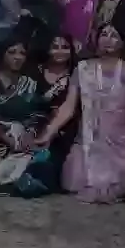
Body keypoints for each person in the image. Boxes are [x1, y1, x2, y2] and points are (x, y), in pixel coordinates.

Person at [41, 23, 125, 204]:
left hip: (122, 143)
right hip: (88, 141)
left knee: (119, 186)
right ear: (96, 40)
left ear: (122, 42)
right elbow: (68, 107)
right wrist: (49, 132)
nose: (108, 39)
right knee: (76, 179)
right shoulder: (82, 68)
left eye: (114, 35)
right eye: (104, 34)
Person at [0, 39, 55, 198]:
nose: (17, 57)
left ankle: (19, 181)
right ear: (2, 54)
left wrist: (30, 133)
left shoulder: (30, 83)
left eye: (22, 53)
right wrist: (6, 138)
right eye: (12, 52)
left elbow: (39, 113)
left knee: (45, 161)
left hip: (23, 138)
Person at [31, 33, 78, 192]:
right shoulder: (35, 72)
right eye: (55, 47)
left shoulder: (76, 75)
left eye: (65, 47)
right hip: (35, 126)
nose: (60, 51)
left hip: (65, 131)